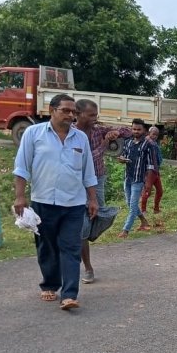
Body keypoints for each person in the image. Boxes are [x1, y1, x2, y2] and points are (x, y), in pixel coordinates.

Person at [13, 93, 98, 311]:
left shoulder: (81, 138)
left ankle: (69, 294)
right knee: (47, 247)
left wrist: (92, 199)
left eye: (74, 112)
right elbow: (22, 167)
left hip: (74, 204)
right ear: (52, 110)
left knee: (70, 247)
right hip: (43, 201)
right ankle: (50, 284)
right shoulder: (34, 134)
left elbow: (88, 172)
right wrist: (20, 196)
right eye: (66, 111)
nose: (71, 115)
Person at [74, 99, 131, 284]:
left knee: (97, 214)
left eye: (95, 115)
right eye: (90, 115)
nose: (94, 118)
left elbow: (128, 131)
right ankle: (88, 267)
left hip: (97, 179)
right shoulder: (72, 133)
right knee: (82, 225)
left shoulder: (98, 129)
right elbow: (88, 158)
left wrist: (116, 132)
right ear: (78, 114)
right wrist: (105, 144)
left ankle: (86, 233)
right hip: (76, 182)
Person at [117, 120, 159, 238]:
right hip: (128, 177)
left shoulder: (148, 145)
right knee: (130, 204)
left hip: (139, 179)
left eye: (138, 129)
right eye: (134, 129)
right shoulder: (128, 143)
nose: (136, 131)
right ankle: (143, 221)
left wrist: (149, 183)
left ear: (144, 130)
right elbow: (123, 156)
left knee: (133, 204)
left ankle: (125, 230)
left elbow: (151, 165)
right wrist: (121, 159)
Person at [140, 126, 164, 219]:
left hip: (156, 170)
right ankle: (143, 210)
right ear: (148, 134)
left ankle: (156, 208)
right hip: (149, 170)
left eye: (156, 135)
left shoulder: (154, 144)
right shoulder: (147, 142)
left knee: (160, 191)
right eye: (153, 134)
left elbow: (158, 158)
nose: (155, 136)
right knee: (147, 190)